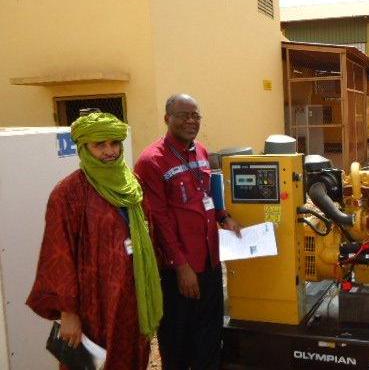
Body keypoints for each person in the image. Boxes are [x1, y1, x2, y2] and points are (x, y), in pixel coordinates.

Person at [27, 112, 163, 370]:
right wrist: (68, 313)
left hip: (133, 298)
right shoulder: (68, 194)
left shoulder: (132, 184)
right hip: (94, 304)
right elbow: (58, 256)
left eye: (115, 143)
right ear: (84, 148)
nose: (110, 151)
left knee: (132, 359)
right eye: (100, 145)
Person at [135, 94, 241, 370]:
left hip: (210, 262)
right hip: (178, 271)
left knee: (209, 336)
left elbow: (208, 192)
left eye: (196, 115)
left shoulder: (201, 151)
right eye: (184, 115)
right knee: (177, 342)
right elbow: (158, 219)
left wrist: (224, 216)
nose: (191, 121)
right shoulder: (151, 161)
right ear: (167, 118)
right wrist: (181, 266)